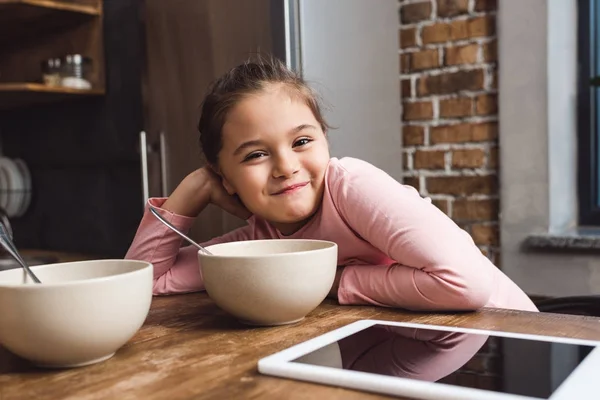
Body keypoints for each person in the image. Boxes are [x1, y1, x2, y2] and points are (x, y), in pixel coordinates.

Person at [125, 57, 538, 312]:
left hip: (511, 343)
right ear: (224, 177)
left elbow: (465, 283)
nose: (286, 167)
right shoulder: (260, 241)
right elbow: (148, 283)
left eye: (302, 141)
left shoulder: (351, 186)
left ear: (325, 140)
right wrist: (192, 192)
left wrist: (333, 282)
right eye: (255, 155)